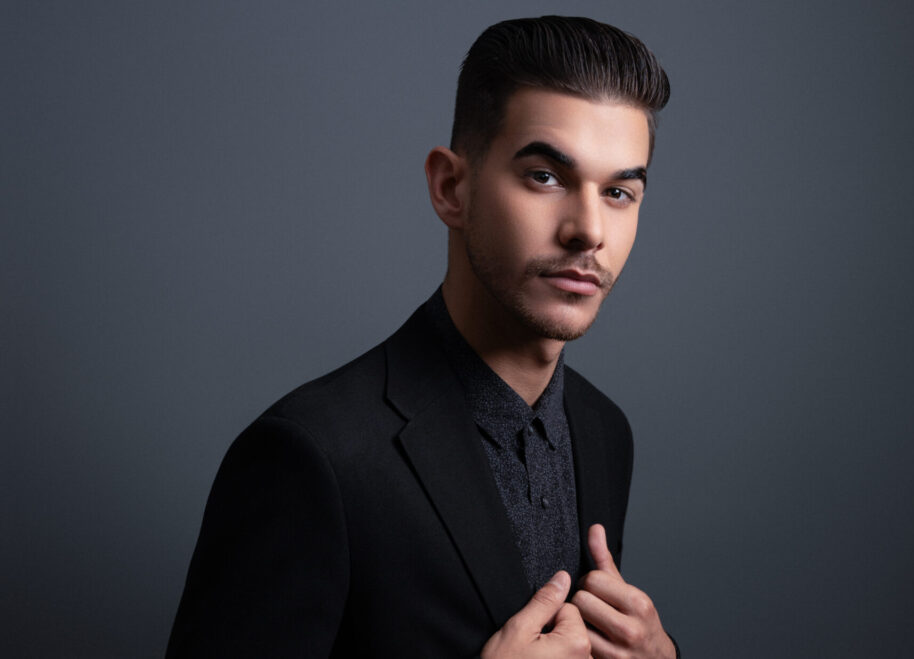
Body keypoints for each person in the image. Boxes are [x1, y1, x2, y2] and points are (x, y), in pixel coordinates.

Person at [167, 15, 676, 658]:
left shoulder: (603, 431)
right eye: (545, 177)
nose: (589, 230)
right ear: (450, 187)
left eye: (620, 192)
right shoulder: (312, 457)